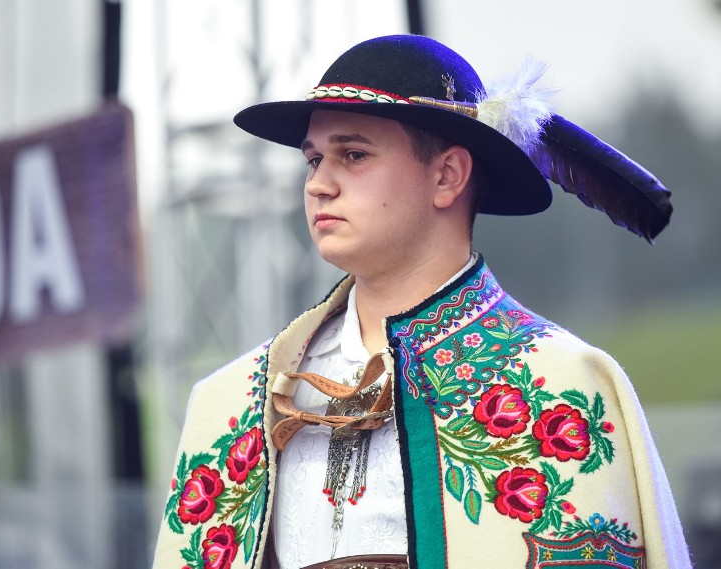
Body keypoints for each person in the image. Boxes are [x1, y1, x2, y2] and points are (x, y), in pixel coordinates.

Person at [152, 34, 691, 569]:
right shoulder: (231, 404)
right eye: (313, 161)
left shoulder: (563, 386)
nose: (319, 184)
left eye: (353, 154)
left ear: (448, 175)